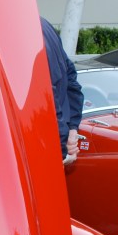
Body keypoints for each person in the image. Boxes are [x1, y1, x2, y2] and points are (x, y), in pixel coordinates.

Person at [40, 17, 84, 164]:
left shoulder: (24, 31)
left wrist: (61, 148)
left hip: (45, 146)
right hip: (55, 140)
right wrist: (71, 129)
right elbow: (70, 77)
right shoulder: (44, 25)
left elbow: (45, 95)